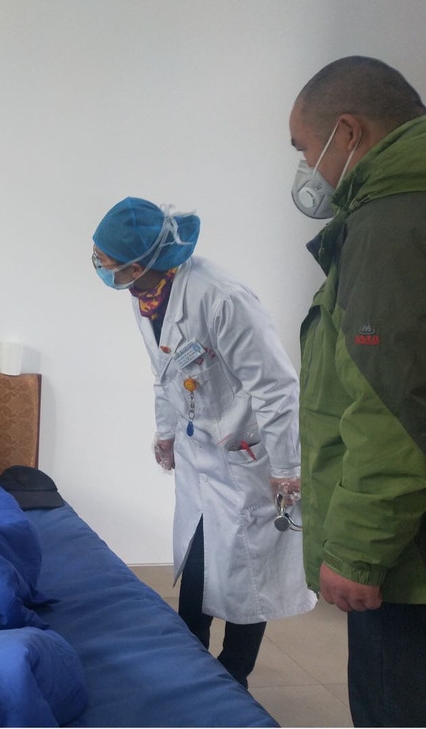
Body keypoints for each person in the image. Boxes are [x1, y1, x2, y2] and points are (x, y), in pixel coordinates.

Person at [287, 56, 426, 726]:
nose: (306, 169)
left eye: (304, 149)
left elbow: (397, 405)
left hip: (422, 560)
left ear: (348, 132)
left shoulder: (392, 226)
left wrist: (357, 550)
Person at [91, 196, 315, 688]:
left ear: (137, 264)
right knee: (197, 567)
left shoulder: (221, 298)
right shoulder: (147, 297)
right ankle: (190, 673)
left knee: (248, 578)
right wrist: (166, 433)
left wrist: (286, 466)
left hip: (246, 457)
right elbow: (164, 372)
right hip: (200, 457)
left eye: (105, 262)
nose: (101, 269)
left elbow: (276, 386)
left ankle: (234, 677)